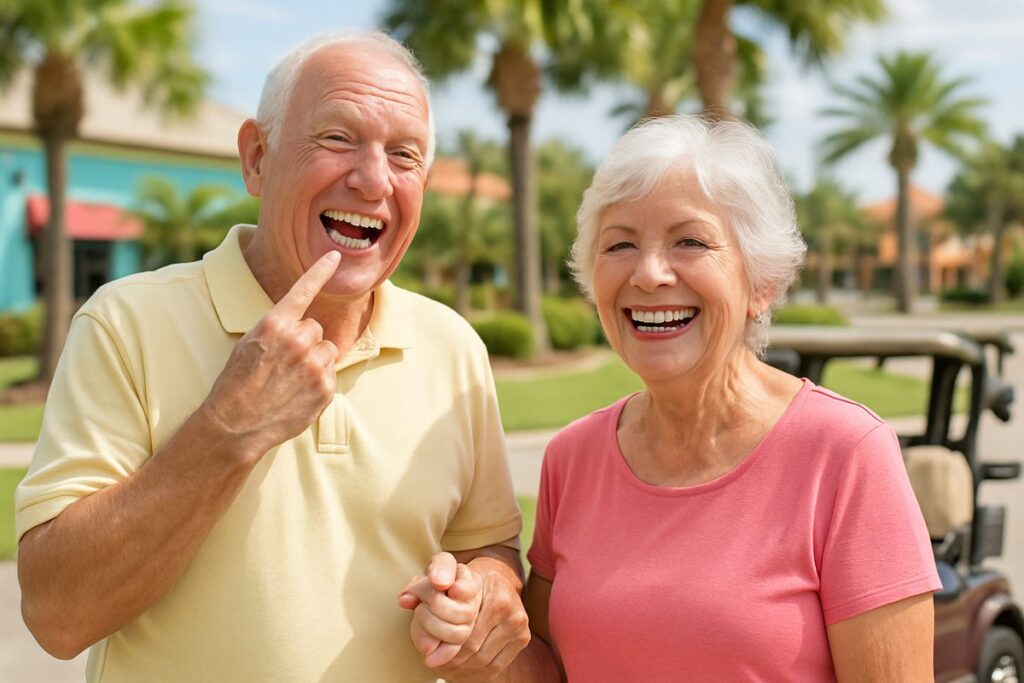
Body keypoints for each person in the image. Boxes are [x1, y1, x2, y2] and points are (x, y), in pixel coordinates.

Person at [15, 30, 529, 682]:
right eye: (338, 138)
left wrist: (482, 590)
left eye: (404, 155)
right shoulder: (125, 324)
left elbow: (488, 544)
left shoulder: (452, 345)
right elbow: (57, 613)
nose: (373, 180)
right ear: (257, 157)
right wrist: (227, 429)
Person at [504, 116, 941, 681]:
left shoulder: (846, 453)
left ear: (760, 282)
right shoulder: (573, 458)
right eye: (620, 245)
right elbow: (548, 671)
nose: (649, 273)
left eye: (690, 241)